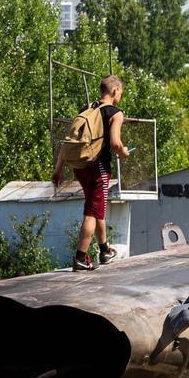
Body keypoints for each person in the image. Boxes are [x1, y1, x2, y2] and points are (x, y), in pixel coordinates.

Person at [52, 75, 130, 271]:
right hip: (98, 168)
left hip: (80, 167)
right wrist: (123, 153)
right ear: (115, 91)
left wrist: (58, 168)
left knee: (96, 207)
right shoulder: (115, 113)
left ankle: (104, 250)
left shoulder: (86, 109)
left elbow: (68, 142)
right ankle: (80, 257)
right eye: (120, 92)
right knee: (92, 212)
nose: (120, 96)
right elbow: (115, 143)